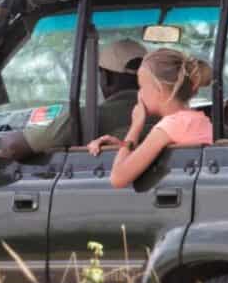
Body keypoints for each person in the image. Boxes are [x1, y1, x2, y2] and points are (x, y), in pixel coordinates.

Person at [0, 39, 147, 161]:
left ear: (106, 77)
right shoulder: (160, 116)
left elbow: (12, 146)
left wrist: (1, 140)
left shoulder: (86, 118)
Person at [87, 48, 213, 189]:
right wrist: (121, 145)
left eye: (142, 87)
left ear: (158, 89)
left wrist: (136, 125)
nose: (139, 93)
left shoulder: (170, 126)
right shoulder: (199, 119)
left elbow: (118, 178)